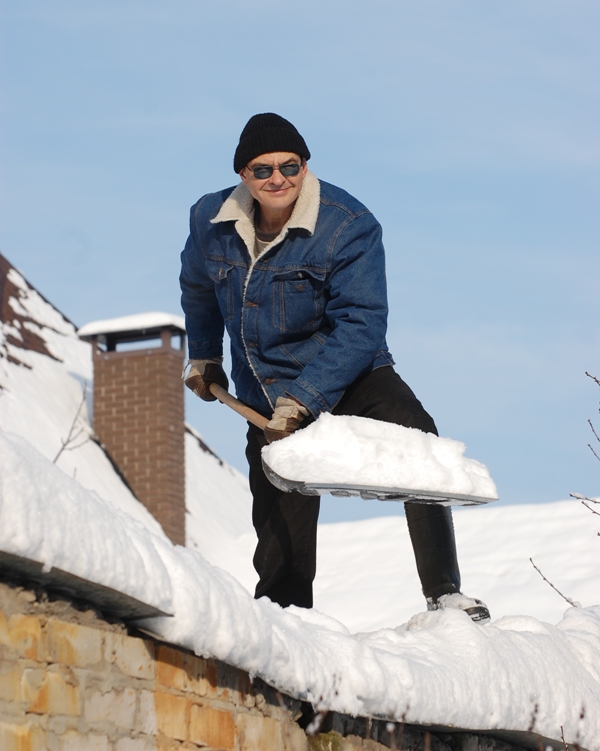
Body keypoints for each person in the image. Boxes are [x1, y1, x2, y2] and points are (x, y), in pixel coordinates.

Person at [180, 113, 490, 623]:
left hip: (349, 372)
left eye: (290, 165)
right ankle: (286, 628)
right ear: (243, 175)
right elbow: (199, 288)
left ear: (305, 166)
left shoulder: (348, 224)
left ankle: (444, 593)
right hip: (265, 388)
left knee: (419, 442)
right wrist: (206, 354)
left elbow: (363, 322)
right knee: (281, 535)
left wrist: (304, 398)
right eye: (263, 170)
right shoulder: (209, 221)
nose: (278, 178)